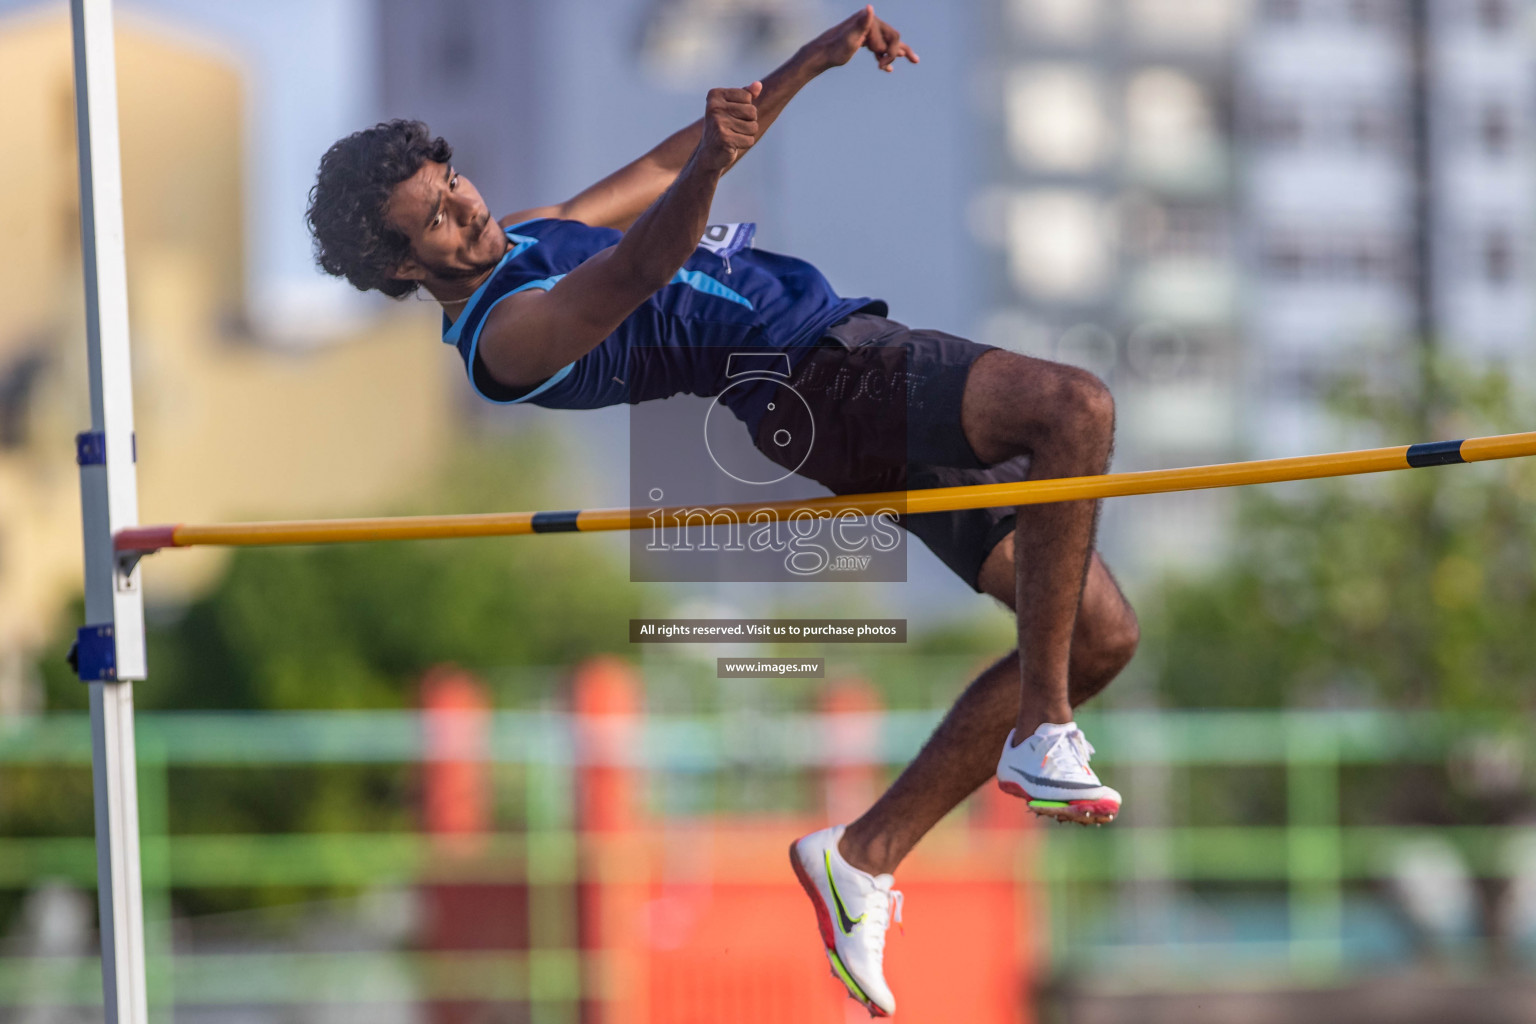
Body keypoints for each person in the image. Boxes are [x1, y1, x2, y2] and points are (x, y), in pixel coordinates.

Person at [306, 6, 1139, 1016]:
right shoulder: (500, 339)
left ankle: (863, 855)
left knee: (1095, 631)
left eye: (453, 184)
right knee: (1073, 408)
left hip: (847, 371)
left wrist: (808, 63)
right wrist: (711, 168)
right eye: (435, 218)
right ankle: (1042, 726)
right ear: (402, 268)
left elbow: (666, 164)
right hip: (823, 380)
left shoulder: (521, 234)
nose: (466, 211)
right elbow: (638, 268)